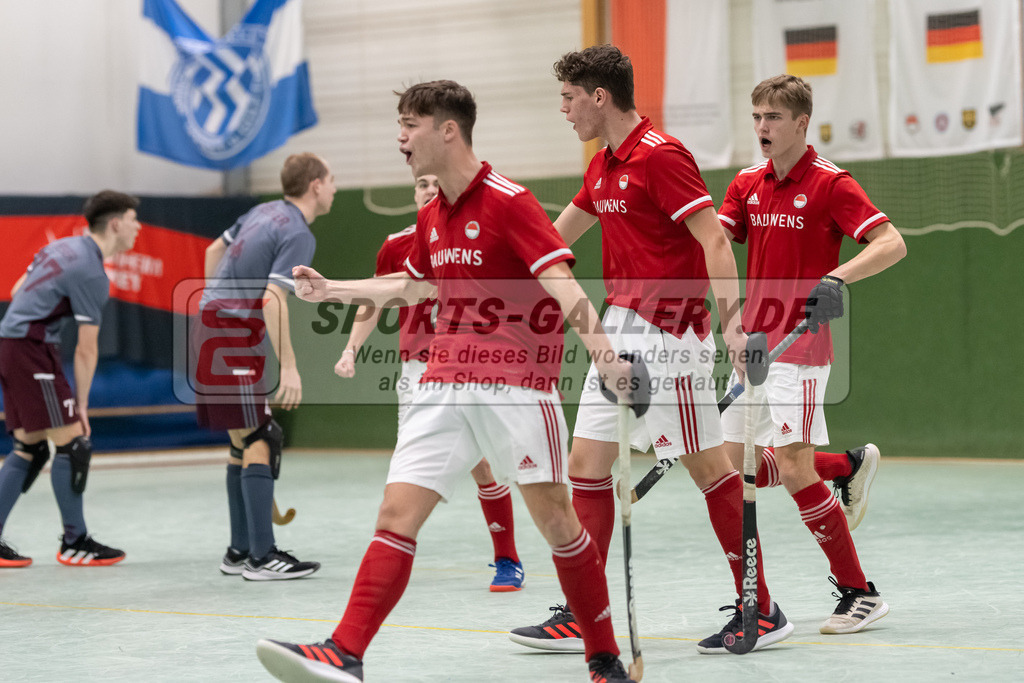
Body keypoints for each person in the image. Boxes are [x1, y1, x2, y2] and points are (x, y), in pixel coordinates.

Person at [256, 80, 638, 682]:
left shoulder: (510, 201)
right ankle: (346, 652)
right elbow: (411, 287)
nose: (401, 138)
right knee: (396, 512)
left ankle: (603, 654)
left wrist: (609, 359)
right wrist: (332, 288)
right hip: (441, 381)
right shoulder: (432, 213)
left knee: (558, 522)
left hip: (516, 385)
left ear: (448, 130)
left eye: (410, 125)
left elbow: (563, 285)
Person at [509, 44, 795, 655]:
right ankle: (586, 611)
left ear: (598, 97)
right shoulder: (603, 166)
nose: (563, 111)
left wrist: (733, 327)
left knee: (710, 470)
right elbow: (554, 239)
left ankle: (761, 606)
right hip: (618, 329)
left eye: (567, 98)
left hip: (674, 335)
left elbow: (715, 243)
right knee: (584, 466)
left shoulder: (662, 158)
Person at [715, 74, 906, 635]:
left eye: (772, 117)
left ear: (801, 123)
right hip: (752, 345)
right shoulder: (747, 183)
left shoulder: (830, 184)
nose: (761, 128)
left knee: (792, 467)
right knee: (733, 467)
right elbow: (716, 243)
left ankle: (860, 593)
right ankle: (845, 467)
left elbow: (891, 243)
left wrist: (837, 278)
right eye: (755, 117)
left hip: (802, 347)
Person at [336, 173, 525, 592]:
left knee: (484, 466)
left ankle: (507, 558)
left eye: (436, 182)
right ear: (414, 192)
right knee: (407, 464)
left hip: (467, 364)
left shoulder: (472, 239)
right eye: (422, 182)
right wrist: (351, 350)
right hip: (417, 370)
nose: (429, 188)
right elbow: (375, 298)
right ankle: (389, 552)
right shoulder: (396, 244)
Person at [196, 153, 336, 581]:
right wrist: (289, 368)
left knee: (243, 440)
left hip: (211, 324)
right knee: (262, 435)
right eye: (331, 180)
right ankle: (262, 557)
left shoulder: (262, 211)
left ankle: (239, 551)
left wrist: (214, 302)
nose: (333, 187)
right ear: (315, 185)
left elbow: (213, 249)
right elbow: (272, 299)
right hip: (231, 333)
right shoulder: (297, 231)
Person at [0, 191, 140, 568]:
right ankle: (75, 541)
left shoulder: (61, 248)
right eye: (132, 219)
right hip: (30, 350)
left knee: (28, 446)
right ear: (115, 224)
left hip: (13, 343)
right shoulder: (92, 272)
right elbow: (86, 350)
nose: (137, 226)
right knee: (73, 443)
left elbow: (16, 292)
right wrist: (80, 406)